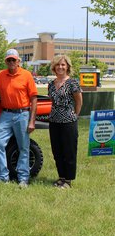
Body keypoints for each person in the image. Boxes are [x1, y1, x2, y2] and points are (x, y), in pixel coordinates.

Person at [0, 49, 38, 188]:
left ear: (18, 61)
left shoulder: (26, 75)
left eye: (14, 60)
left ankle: (23, 178)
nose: (11, 62)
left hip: (23, 114)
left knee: (23, 147)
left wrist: (32, 121)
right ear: (6, 61)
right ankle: (3, 176)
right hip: (6, 114)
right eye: (9, 60)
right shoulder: (2, 74)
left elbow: (33, 98)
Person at [48, 55, 83, 189]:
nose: (60, 67)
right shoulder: (51, 84)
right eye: (58, 65)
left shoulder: (72, 83)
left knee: (69, 151)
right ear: (54, 67)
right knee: (57, 151)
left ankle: (68, 180)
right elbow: (51, 100)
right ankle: (61, 177)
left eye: (63, 65)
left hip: (69, 121)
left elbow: (79, 101)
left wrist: (75, 115)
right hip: (54, 121)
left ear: (67, 67)